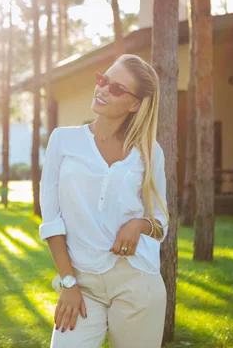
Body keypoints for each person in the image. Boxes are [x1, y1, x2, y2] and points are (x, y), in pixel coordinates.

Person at [39, 54, 169, 348]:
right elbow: (51, 220)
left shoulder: (149, 153)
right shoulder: (63, 141)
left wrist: (139, 224)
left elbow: (161, 224)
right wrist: (68, 282)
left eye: (117, 88)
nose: (103, 89)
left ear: (134, 104)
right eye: (103, 80)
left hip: (137, 283)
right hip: (81, 282)